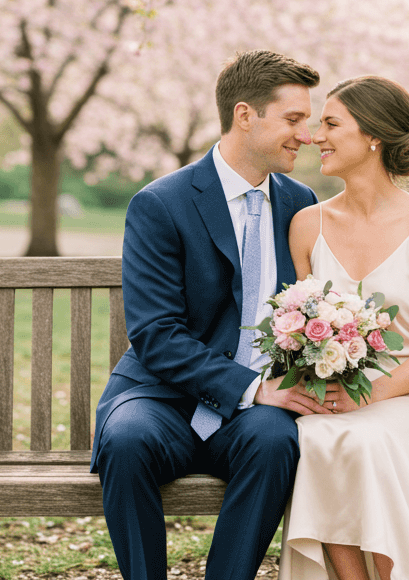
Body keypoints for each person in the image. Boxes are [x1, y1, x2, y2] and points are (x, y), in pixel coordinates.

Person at [91, 49, 332, 580]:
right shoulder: (160, 203)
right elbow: (155, 334)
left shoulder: (301, 202)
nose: (307, 136)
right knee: (126, 442)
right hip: (161, 396)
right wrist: (250, 387)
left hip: (256, 413)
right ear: (246, 115)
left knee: (275, 442)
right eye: (293, 120)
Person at [279, 75, 409, 580]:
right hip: (333, 398)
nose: (314, 136)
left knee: (368, 442)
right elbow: (296, 325)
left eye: (330, 124)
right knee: (314, 440)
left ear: (372, 136)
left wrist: (368, 396)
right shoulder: (307, 224)